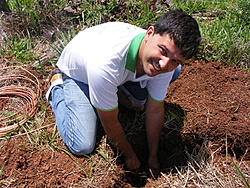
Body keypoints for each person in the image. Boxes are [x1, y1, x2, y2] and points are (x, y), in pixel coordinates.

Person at [46, 9, 201, 176]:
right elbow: (111, 124)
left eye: (175, 59)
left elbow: (155, 109)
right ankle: (58, 86)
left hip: (114, 68)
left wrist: (153, 155)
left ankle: (110, 91)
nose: (164, 64)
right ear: (149, 33)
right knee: (82, 145)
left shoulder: (166, 60)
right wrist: (130, 157)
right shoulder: (105, 65)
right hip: (78, 74)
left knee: (174, 72)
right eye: (163, 50)